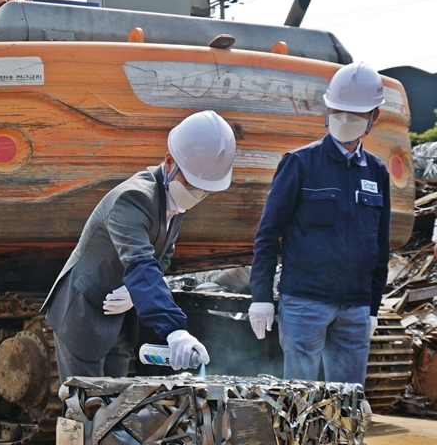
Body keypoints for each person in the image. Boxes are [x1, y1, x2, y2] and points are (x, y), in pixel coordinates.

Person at [43, 110, 236, 381]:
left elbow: (163, 256)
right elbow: (140, 263)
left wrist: (135, 294)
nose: (196, 195)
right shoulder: (133, 199)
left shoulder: (174, 202)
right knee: (85, 411)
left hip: (116, 318)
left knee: (116, 410)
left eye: (204, 190)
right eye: (191, 184)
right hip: (82, 313)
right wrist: (174, 329)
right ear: (170, 162)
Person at [248, 62, 390, 387]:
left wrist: (372, 307)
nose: (344, 120)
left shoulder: (377, 173)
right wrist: (261, 296)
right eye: (338, 111)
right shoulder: (299, 163)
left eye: (354, 114)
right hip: (304, 303)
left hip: (355, 308)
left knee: (348, 405)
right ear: (327, 109)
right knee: (300, 404)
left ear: (373, 117)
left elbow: (379, 245)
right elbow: (268, 235)